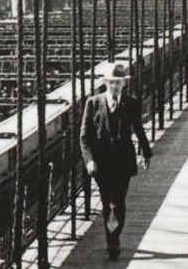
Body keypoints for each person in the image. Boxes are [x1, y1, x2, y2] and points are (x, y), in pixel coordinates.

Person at [80, 63, 153, 260]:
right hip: (101, 164)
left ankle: (114, 236)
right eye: (111, 83)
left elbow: (139, 129)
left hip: (123, 162)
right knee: (107, 202)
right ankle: (111, 239)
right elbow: (84, 136)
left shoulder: (131, 103)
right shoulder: (93, 103)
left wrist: (146, 153)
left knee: (117, 202)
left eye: (118, 83)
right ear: (105, 84)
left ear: (123, 84)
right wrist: (89, 161)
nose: (114, 87)